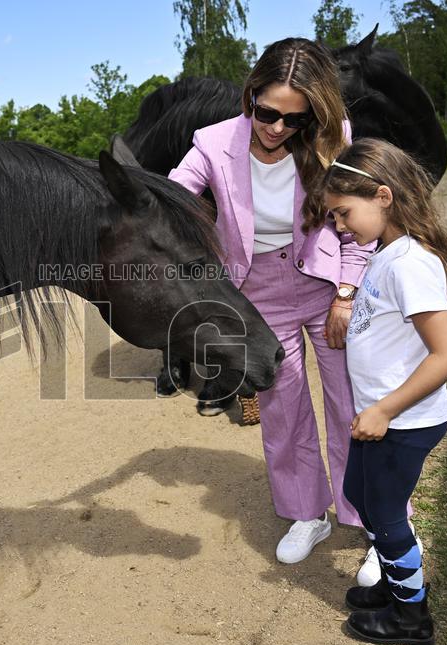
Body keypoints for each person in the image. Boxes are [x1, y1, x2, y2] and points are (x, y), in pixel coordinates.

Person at [167, 37, 377, 569]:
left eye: (294, 120)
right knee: (281, 409)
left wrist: (348, 295)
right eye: (267, 113)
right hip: (256, 294)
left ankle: (373, 515)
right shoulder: (213, 144)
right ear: (250, 95)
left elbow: (358, 230)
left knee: (351, 402)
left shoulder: (335, 138)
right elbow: (170, 197)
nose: (278, 128)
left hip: (327, 283)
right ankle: (308, 512)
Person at [321, 137, 447, 645]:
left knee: (384, 513)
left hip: (404, 420)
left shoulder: (409, 263)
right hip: (382, 416)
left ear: (383, 196)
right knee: (362, 496)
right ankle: (392, 580)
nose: (340, 227)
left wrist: (383, 408)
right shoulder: (384, 254)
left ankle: (411, 616)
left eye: (343, 213)